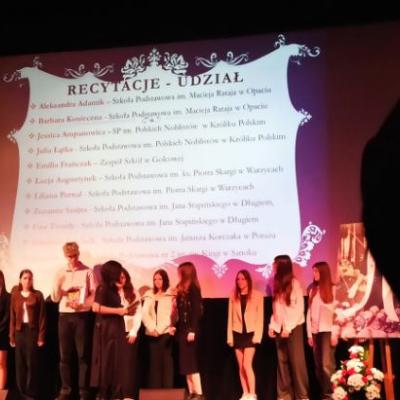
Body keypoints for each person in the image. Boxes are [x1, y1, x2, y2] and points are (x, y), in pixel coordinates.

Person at [51, 242, 96, 400]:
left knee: (83, 356)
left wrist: (82, 304)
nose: (72, 259)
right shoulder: (60, 272)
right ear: (65, 256)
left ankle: (83, 392)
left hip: (81, 316)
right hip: (64, 316)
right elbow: (55, 298)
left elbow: (94, 294)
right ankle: (66, 390)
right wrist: (58, 285)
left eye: (75, 255)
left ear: (78, 253)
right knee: (64, 356)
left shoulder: (88, 271)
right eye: (69, 256)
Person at [268, 255, 309, 400]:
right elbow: (276, 309)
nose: (273, 266)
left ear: (282, 266)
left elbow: (299, 309)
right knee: (282, 362)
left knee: (297, 363)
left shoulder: (294, 284)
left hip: (294, 328)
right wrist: (272, 325)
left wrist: (289, 328)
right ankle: (284, 395)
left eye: (275, 263)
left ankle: (302, 395)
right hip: (280, 328)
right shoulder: (276, 284)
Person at [91, 260, 130, 399]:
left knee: (115, 361)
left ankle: (115, 393)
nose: (120, 273)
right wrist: (118, 311)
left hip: (115, 329)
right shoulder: (103, 288)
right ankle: (104, 393)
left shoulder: (113, 289)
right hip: (107, 330)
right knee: (107, 361)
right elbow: (95, 307)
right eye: (118, 271)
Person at [227, 270, 264, 400]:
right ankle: (245, 393)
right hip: (237, 333)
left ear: (248, 280)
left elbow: (260, 318)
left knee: (246, 365)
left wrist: (258, 336)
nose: (240, 281)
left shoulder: (257, 295)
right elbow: (230, 318)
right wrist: (230, 337)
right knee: (240, 366)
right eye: (238, 279)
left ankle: (252, 394)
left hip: (250, 334)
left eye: (243, 279)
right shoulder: (233, 296)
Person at [9, 269, 46, 399]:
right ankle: (22, 392)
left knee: (32, 362)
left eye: (30, 278)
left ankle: (31, 391)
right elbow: (12, 317)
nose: (27, 281)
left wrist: (41, 336)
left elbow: (42, 317)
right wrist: (11, 335)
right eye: (25, 278)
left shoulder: (38, 295)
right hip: (19, 332)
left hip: (32, 332)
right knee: (20, 363)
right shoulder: (15, 295)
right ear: (20, 280)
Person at [171, 262, 204, 400]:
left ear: (186, 273)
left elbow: (196, 311)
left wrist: (192, 330)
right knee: (185, 364)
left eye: (180, 272)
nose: (178, 274)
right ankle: (192, 392)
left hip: (190, 330)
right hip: (182, 330)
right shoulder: (181, 289)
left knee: (191, 363)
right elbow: (179, 311)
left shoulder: (193, 289)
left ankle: (199, 393)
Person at [306, 261, 337, 400]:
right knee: (318, 367)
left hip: (328, 330)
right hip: (315, 331)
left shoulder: (333, 289)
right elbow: (309, 313)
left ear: (323, 272)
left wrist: (335, 333)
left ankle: (331, 393)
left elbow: (337, 313)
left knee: (326, 364)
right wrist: (309, 334)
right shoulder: (312, 290)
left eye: (316, 271)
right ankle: (325, 393)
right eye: (313, 271)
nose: (314, 274)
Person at [142, 269, 175, 388]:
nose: (157, 281)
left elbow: (171, 314)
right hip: (152, 334)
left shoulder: (171, 294)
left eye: (160, 279)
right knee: (154, 365)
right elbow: (144, 313)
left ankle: (167, 391)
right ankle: (155, 392)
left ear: (165, 279)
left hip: (165, 333)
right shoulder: (149, 294)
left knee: (167, 364)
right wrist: (152, 328)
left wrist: (159, 330)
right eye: (155, 279)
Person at [117, 267, 142, 400]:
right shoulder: (111, 293)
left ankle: (128, 395)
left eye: (123, 277)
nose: (120, 280)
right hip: (114, 332)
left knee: (128, 365)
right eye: (118, 277)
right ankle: (116, 394)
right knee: (116, 364)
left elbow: (138, 313)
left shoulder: (133, 292)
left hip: (128, 332)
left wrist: (134, 331)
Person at [0, 271, 10, 390]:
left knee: (1, 363)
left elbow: (7, 317)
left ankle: (1, 391)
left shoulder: (8, 297)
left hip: (2, 334)